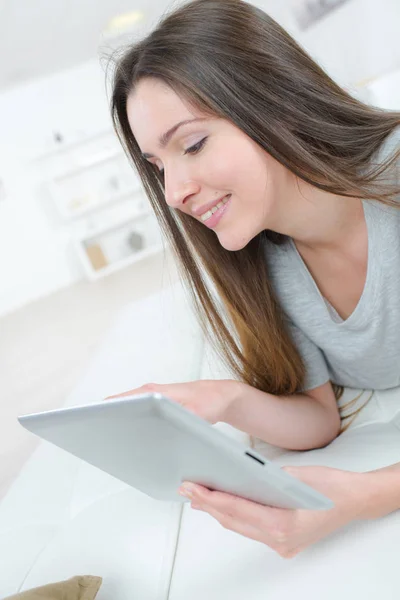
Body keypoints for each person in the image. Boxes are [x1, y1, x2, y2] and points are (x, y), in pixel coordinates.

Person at [106, 0, 400, 558]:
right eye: (159, 167)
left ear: (277, 101)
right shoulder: (265, 265)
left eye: (192, 144)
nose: (174, 194)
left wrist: (366, 495)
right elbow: (318, 418)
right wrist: (224, 400)